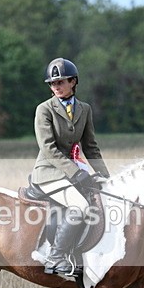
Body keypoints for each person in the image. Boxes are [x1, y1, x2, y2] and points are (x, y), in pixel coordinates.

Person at [31, 57, 110, 276]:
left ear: (73, 82)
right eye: (52, 83)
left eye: (61, 82)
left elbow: (91, 147)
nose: (56, 86)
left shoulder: (84, 109)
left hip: (74, 169)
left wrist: (105, 176)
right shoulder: (44, 109)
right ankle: (56, 257)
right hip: (49, 172)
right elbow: (48, 148)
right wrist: (76, 173)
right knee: (81, 207)